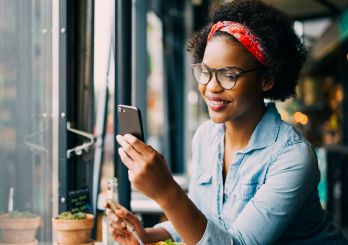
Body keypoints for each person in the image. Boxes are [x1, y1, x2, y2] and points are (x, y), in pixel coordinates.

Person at [107, 0, 348, 244]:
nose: (211, 87)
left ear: (266, 79)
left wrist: (166, 192)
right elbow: (203, 221)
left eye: (228, 75)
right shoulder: (205, 136)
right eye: (206, 71)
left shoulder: (292, 158)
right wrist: (147, 234)